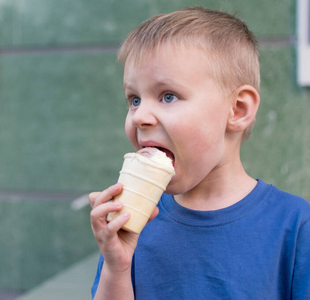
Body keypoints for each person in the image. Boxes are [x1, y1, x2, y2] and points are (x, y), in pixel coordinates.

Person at [89, 6, 310, 299]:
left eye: (168, 96)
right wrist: (116, 267)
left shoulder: (295, 226)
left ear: (237, 110)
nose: (140, 116)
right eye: (134, 99)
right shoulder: (130, 225)